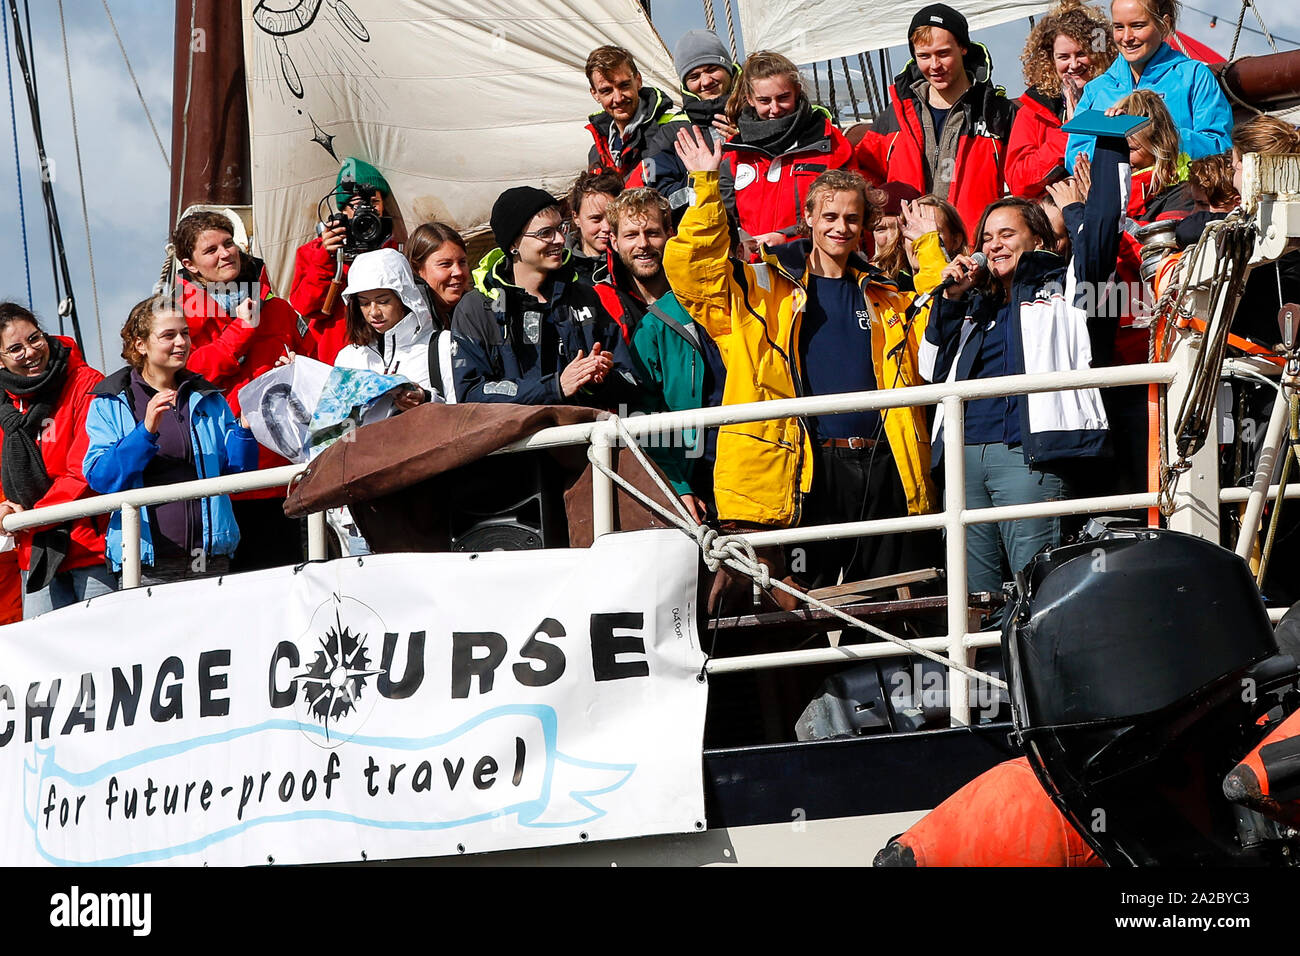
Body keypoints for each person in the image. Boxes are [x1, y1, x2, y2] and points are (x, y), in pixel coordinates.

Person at [668, 127, 947, 594]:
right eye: (831, 216)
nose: (842, 227)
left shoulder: (888, 294)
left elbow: (938, 342)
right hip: (802, 467)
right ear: (809, 219)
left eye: (853, 218)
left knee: (886, 603)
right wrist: (705, 185)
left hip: (882, 464)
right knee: (799, 603)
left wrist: (929, 250)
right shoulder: (759, 287)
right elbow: (694, 272)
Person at [919, 134, 1127, 597]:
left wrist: (1081, 201)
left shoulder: (1064, 293)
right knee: (974, 598)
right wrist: (951, 301)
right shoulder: (973, 303)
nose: (993, 246)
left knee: (1034, 590)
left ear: (1038, 239)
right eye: (986, 237)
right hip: (962, 456)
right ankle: (984, 672)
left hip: (1027, 456)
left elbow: (1098, 248)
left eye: (1007, 234)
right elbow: (929, 368)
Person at [84, 294, 258, 586]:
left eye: (185, 333)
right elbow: (101, 477)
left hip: (210, 557)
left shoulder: (209, 397)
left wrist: (243, 430)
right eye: (169, 335)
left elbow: (239, 477)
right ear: (140, 345)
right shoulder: (110, 401)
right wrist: (145, 432)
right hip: (146, 566)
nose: (182, 342)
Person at [172, 210, 307, 573]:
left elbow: (315, 373)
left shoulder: (278, 309)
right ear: (190, 264)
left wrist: (296, 369)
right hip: (219, 482)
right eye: (211, 249)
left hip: (285, 476)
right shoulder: (175, 318)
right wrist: (241, 330)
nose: (225, 253)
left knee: (292, 585)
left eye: (228, 243)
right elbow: (185, 378)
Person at [599, 186, 727, 521]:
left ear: (671, 234)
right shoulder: (605, 307)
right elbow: (640, 412)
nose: (643, 244)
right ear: (613, 241)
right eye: (631, 234)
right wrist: (678, 483)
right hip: (688, 469)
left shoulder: (705, 296)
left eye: (653, 232)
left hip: (731, 458)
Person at [451, 186, 641, 407]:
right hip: (517, 441)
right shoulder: (477, 308)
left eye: (561, 228)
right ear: (513, 244)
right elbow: (471, 394)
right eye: (545, 233)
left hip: (586, 438)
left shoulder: (584, 296)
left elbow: (631, 382)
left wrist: (598, 380)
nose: (560, 239)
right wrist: (555, 387)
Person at [855, 4, 1016, 235]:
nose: (934, 65)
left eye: (943, 53)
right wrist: (884, 213)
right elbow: (862, 174)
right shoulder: (897, 114)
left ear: (963, 48)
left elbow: (1021, 182)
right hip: (908, 253)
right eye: (924, 56)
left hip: (975, 254)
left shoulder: (997, 114)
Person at [0, 304, 111, 616]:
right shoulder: (2, 403)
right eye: (15, 348)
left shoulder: (85, 382)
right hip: (32, 554)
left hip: (90, 547)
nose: (31, 352)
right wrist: (5, 506)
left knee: (105, 652)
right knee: (45, 661)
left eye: (35, 339)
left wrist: (35, 516)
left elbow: (85, 465)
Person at [1063, 0, 1232, 171]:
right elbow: (1075, 157)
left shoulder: (1194, 77)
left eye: (1137, 26)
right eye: (1119, 27)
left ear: (1164, 24)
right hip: (1114, 194)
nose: (1127, 37)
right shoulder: (1096, 89)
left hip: (1178, 193)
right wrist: (1113, 144)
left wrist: (1159, 135)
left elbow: (1221, 146)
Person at [718, 51, 858, 253]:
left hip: (814, 264)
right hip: (753, 270)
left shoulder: (829, 143)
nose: (775, 109)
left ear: (797, 91)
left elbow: (849, 210)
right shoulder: (735, 152)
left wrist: (787, 237)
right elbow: (725, 216)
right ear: (750, 99)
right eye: (764, 101)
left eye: (783, 98)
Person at [289, 156, 399, 365]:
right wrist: (326, 257)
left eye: (374, 203)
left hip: (388, 356)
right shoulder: (314, 251)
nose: (366, 211)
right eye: (355, 205)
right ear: (343, 211)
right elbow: (306, 308)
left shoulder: (395, 245)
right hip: (336, 357)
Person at [1006, 0, 1117, 199]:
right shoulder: (1033, 110)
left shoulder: (1118, 96)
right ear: (1050, 59)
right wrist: (1069, 131)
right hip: (1052, 220)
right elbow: (1019, 182)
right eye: (1064, 57)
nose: (1074, 65)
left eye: (1082, 54)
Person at [334, 247, 443, 405]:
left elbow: (460, 411)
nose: (374, 312)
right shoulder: (347, 357)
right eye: (364, 303)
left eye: (383, 301)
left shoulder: (440, 346)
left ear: (404, 298)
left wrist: (426, 398)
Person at [584, 45, 682, 185]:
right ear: (595, 94)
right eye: (606, 91)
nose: (618, 98)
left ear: (638, 81)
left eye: (624, 85)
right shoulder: (596, 153)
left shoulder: (672, 132)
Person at [565, 169, 624, 286]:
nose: (606, 227)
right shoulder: (560, 268)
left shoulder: (629, 264)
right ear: (576, 217)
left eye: (612, 217)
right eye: (596, 219)